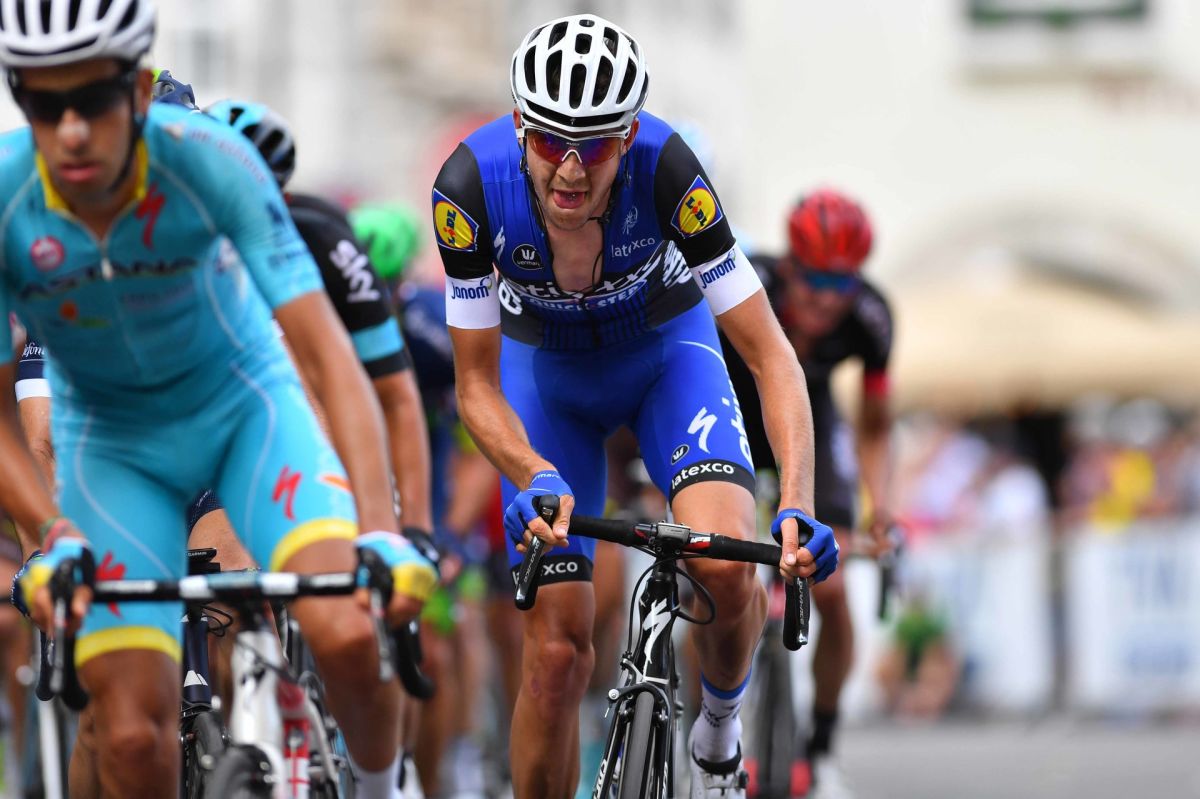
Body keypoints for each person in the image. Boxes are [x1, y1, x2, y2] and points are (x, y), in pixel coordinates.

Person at [0, 2, 434, 795]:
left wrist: (383, 529)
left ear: (139, 91)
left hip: (244, 417)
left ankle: (379, 785)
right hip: (114, 449)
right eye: (42, 104)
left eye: (92, 100)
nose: (70, 132)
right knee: (129, 736)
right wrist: (48, 535)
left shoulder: (212, 161)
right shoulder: (6, 196)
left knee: (345, 631)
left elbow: (330, 359)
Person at [432, 14, 837, 798]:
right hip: (546, 375)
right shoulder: (469, 187)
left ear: (628, 137)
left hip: (663, 355)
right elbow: (475, 384)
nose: (570, 169)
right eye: (549, 141)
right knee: (555, 653)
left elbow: (770, 354)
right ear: (518, 127)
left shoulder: (669, 171)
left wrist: (796, 499)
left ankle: (718, 735)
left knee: (725, 565)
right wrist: (530, 470)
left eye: (594, 147)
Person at [720, 187, 894, 797]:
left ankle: (821, 748)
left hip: (808, 430)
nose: (826, 297)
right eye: (814, 277)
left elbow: (875, 426)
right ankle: (706, 732)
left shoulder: (870, 316)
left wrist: (881, 508)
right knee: (716, 583)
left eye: (842, 282)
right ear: (789, 264)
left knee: (835, 587)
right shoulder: (750, 282)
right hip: (737, 418)